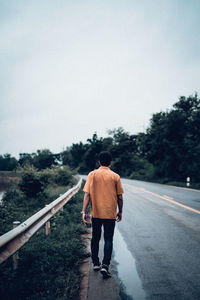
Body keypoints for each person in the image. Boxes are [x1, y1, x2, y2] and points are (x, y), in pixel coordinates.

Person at [82, 151, 124, 278]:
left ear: (99, 162)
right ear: (110, 162)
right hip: (110, 213)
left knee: (95, 237)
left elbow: (87, 194)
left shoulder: (92, 174)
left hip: (96, 213)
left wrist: (84, 211)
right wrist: (120, 211)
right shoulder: (115, 176)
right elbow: (120, 197)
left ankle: (95, 263)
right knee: (108, 239)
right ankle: (105, 265)